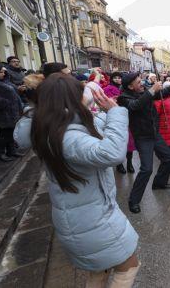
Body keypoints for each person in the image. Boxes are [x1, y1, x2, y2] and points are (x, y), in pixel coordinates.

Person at [14, 74, 140, 287]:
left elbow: (88, 129)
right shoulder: (67, 137)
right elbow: (111, 153)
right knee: (129, 266)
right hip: (92, 220)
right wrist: (116, 112)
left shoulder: (49, 125)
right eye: (80, 91)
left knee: (99, 270)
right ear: (70, 99)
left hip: (81, 216)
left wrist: (102, 113)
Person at [118, 73, 170, 214]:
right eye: (138, 82)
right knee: (146, 169)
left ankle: (159, 183)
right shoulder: (124, 98)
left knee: (168, 157)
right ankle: (134, 200)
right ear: (130, 86)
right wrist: (152, 90)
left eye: (141, 81)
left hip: (154, 134)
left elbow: (160, 94)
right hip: (142, 137)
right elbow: (136, 106)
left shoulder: (144, 91)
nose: (142, 84)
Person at [104, 72, 136, 175]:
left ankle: (129, 163)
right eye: (115, 78)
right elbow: (108, 103)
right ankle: (119, 164)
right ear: (112, 79)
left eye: (119, 78)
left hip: (128, 117)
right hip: (116, 117)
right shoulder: (108, 89)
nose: (118, 79)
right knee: (119, 141)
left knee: (129, 143)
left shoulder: (125, 88)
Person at [0, 65, 23, 161]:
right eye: (1, 72)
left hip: (12, 112)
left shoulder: (5, 82)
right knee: (4, 134)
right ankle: (0, 154)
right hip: (3, 113)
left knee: (11, 132)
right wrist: (6, 104)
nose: (3, 74)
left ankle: (11, 151)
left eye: (4, 72)